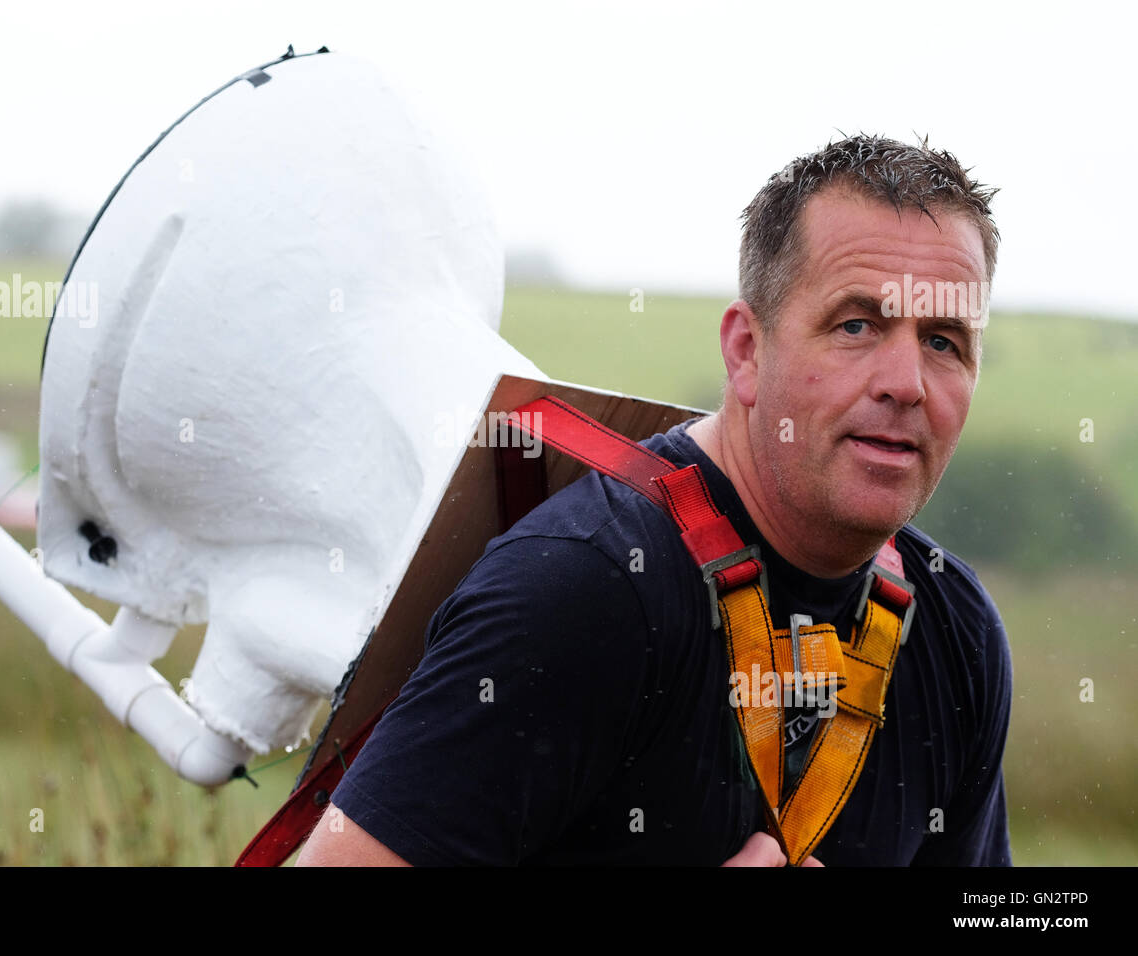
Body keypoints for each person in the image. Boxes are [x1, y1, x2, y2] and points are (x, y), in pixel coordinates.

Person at [296, 134, 1013, 866]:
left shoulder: (956, 629)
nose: (907, 382)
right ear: (746, 352)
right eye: (855, 324)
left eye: (944, 342)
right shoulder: (584, 592)